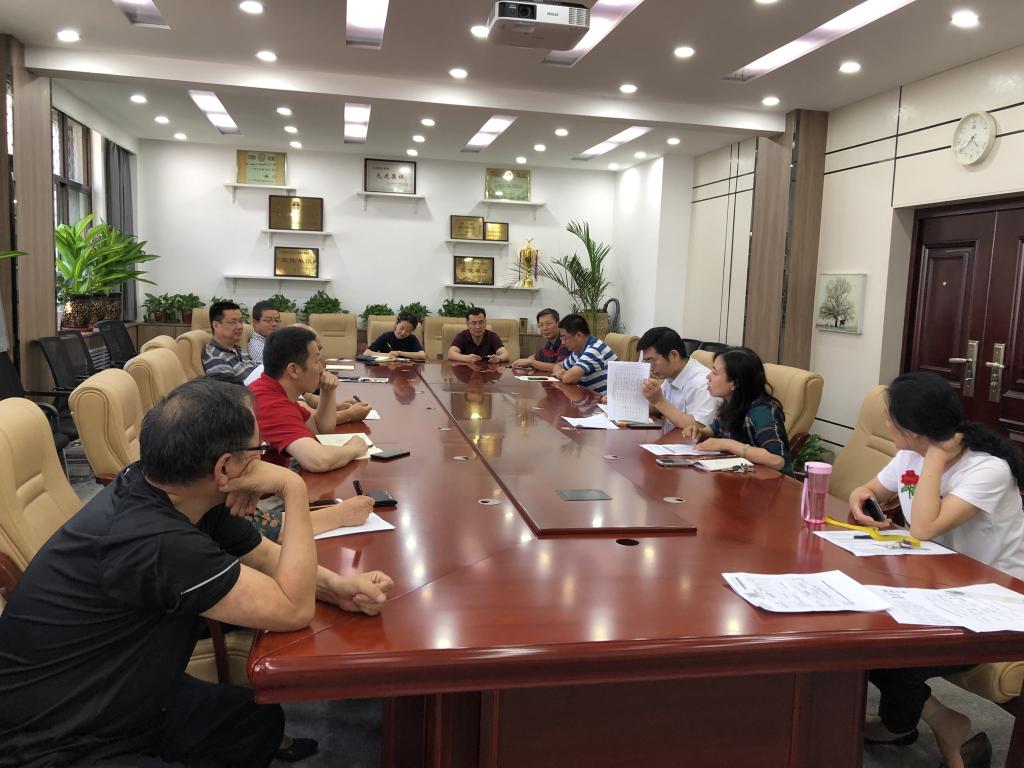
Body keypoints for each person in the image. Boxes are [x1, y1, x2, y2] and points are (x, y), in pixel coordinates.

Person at [0, 378, 393, 768]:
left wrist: (338, 587)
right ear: (224, 467)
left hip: (127, 690)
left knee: (254, 721)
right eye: (257, 449)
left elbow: (264, 556)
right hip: (60, 737)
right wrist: (292, 487)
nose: (261, 459)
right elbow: (293, 608)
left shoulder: (171, 489)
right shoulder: (155, 539)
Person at [848, 371, 1024, 768]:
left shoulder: (987, 470)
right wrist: (863, 498)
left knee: (878, 650)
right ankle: (924, 722)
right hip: (936, 585)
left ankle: (923, 724)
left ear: (911, 428)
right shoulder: (910, 454)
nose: (886, 423)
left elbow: (925, 527)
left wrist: (936, 457)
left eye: (889, 417)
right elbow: (871, 488)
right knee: (855, 632)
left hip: (992, 603)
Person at [248, 326, 368, 473]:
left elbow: (320, 429)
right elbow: (318, 461)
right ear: (294, 370)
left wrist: (328, 391)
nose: (322, 369)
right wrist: (353, 448)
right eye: (316, 361)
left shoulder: (272, 389)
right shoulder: (270, 404)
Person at [681, 346, 793, 474]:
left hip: (770, 482)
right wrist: (700, 432)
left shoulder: (762, 411)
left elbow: (777, 460)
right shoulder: (731, 402)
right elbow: (715, 429)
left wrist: (727, 444)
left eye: (714, 372)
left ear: (735, 383)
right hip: (741, 476)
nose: (708, 376)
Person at [637, 327, 720, 432]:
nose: (650, 368)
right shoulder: (672, 374)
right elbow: (658, 407)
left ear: (674, 355)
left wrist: (659, 401)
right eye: (646, 361)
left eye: (651, 361)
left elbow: (699, 429)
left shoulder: (704, 382)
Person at [552, 313, 617, 394]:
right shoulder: (578, 351)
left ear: (579, 336)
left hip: (603, 400)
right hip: (589, 396)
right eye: (561, 338)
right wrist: (561, 373)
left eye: (564, 338)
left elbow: (568, 378)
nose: (563, 343)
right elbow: (557, 366)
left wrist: (565, 375)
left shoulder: (595, 350)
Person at [202, 300, 257, 385]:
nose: (239, 326)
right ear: (216, 325)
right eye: (233, 322)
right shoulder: (215, 357)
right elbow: (229, 390)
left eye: (240, 321)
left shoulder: (238, 349)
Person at [247, 300, 282, 365]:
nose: (274, 324)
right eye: (268, 320)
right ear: (255, 322)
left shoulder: (273, 339)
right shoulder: (258, 348)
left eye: (277, 320)